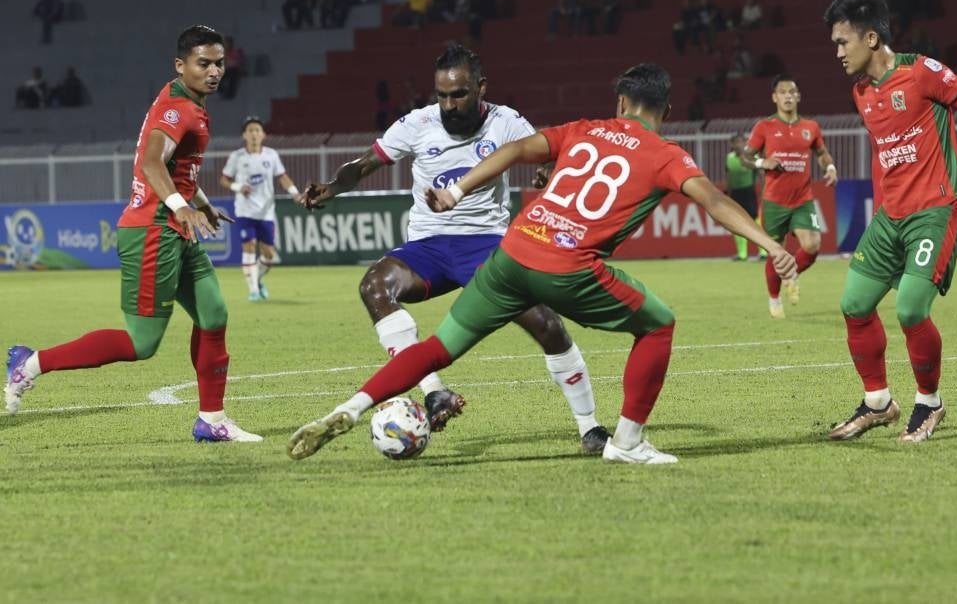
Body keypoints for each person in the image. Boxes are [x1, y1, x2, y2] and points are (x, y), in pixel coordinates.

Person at [286, 62, 798, 464]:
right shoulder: (665, 153)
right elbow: (714, 201)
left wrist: (457, 189)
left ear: (621, 102)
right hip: (569, 265)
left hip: (511, 252)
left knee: (439, 348)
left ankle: (349, 408)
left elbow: (516, 150)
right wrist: (771, 245)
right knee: (658, 324)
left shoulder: (584, 129)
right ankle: (626, 441)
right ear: (666, 108)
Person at [294, 44, 612, 453]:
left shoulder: (506, 122)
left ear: (481, 87)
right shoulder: (418, 123)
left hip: (487, 246)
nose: (449, 105)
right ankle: (433, 392)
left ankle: (590, 428)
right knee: (375, 285)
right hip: (428, 246)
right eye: (442, 95)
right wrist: (333, 187)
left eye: (459, 94)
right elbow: (365, 164)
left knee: (546, 324)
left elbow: (550, 154)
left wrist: (548, 170)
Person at [4, 25, 262, 443]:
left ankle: (211, 420)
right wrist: (181, 206)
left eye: (219, 63)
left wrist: (199, 203)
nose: (214, 71)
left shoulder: (185, 100)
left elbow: (178, 169)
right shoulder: (178, 110)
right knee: (142, 344)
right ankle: (30, 363)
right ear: (181, 65)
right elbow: (152, 163)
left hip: (174, 227)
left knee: (214, 315)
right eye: (203, 63)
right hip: (153, 232)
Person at [822, 0, 957, 443]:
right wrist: (882, 208)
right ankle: (878, 402)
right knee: (854, 304)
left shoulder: (921, 72)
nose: (838, 53)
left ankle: (929, 403)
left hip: (936, 209)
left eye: (843, 42)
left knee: (911, 308)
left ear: (871, 38)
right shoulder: (861, 92)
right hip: (891, 216)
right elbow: (883, 154)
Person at [745, 74, 838, 318]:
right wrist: (762, 162)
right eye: (782, 92)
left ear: (798, 96)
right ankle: (774, 298)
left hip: (802, 200)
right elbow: (745, 156)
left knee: (813, 245)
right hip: (774, 202)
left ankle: (792, 274)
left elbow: (822, 153)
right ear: (774, 97)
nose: (788, 96)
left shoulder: (810, 127)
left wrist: (829, 167)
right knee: (776, 252)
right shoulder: (764, 127)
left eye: (792, 92)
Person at [220, 117, 305, 301]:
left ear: (263, 134)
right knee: (249, 247)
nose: (254, 134)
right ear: (244, 135)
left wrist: (295, 193)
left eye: (257, 130)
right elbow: (224, 180)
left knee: (269, 255)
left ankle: (257, 279)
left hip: (266, 212)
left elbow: (282, 177)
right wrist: (238, 187)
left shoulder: (271, 155)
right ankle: (253, 291)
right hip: (244, 211)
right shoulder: (237, 157)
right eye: (250, 130)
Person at [725, 133, 766, 261]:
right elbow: (728, 175)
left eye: (740, 142)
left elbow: (761, 174)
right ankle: (742, 254)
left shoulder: (752, 157)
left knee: (755, 221)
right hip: (735, 194)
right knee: (736, 222)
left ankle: (763, 251)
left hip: (749, 192)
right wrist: (728, 192)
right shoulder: (729, 158)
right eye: (735, 142)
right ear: (732, 145)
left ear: (745, 143)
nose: (738, 145)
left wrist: (764, 191)